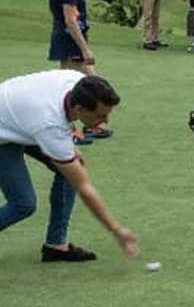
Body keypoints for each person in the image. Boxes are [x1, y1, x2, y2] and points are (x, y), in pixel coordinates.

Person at [0, 70, 139, 262]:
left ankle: (56, 245)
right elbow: (84, 187)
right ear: (79, 110)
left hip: (20, 117)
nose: (106, 121)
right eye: (100, 115)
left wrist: (69, 145)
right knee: (23, 204)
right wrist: (117, 230)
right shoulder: (50, 125)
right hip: (5, 134)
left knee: (70, 169)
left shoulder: (78, 81)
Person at [47, 0, 111, 144]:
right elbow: (70, 20)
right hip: (69, 39)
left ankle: (90, 125)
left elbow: (80, 2)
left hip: (65, 37)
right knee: (89, 84)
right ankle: (74, 128)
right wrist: (85, 49)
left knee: (78, 83)